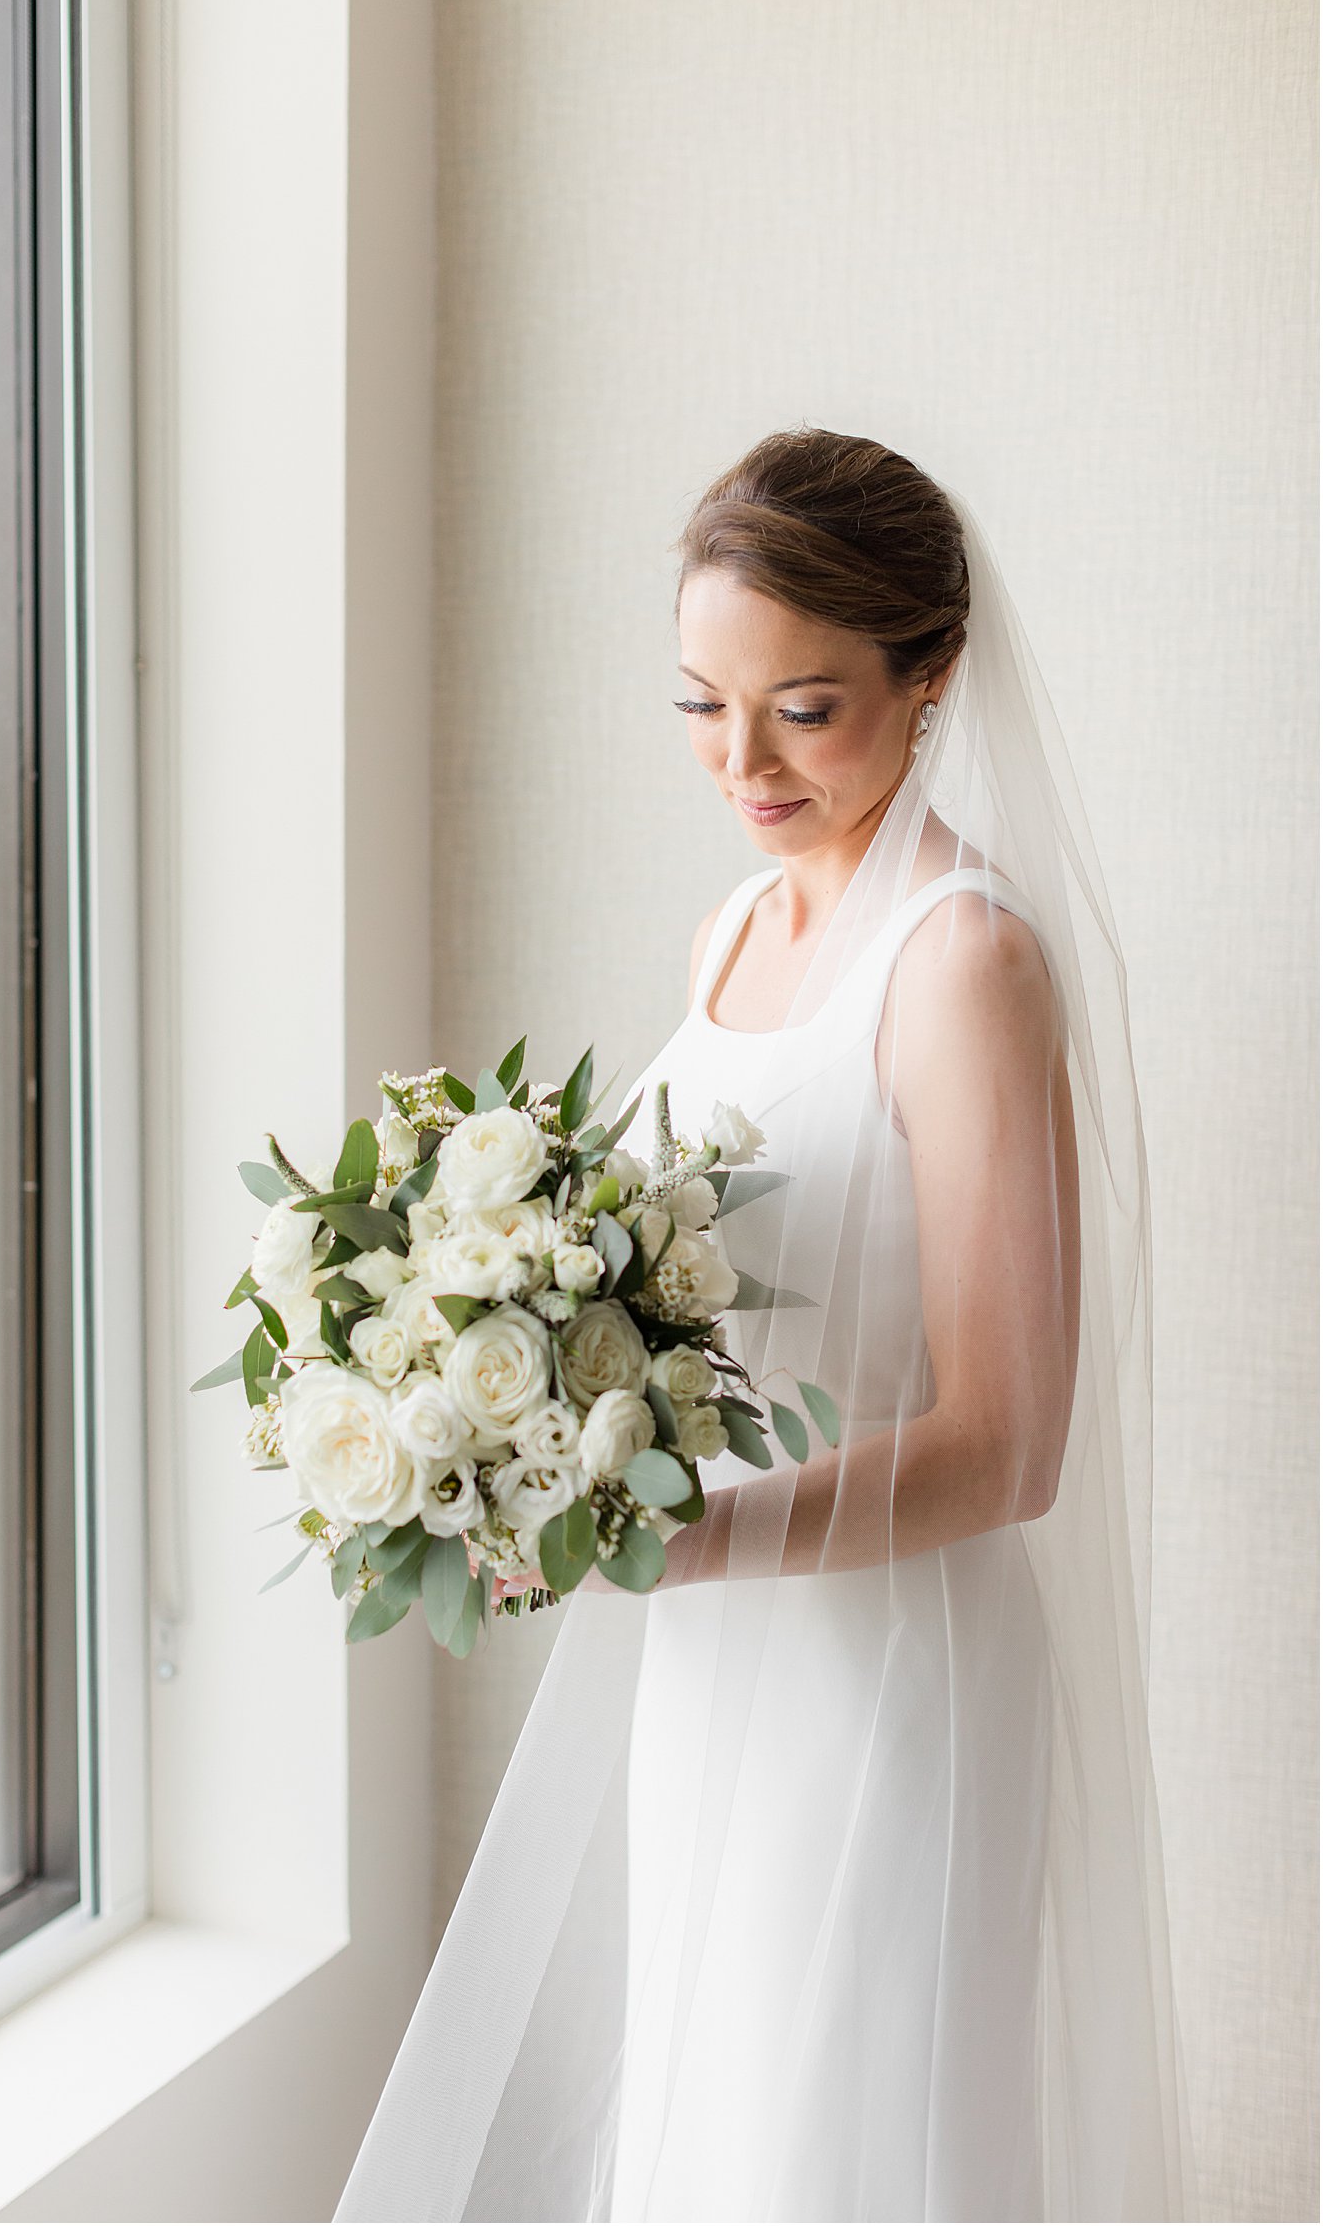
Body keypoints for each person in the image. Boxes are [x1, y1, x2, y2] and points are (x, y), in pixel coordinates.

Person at [333, 429, 1195, 2223]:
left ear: (932, 671)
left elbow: (1010, 1443)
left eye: (804, 707)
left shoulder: (965, 961)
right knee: (718, 2119)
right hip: (720, 1655)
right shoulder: (736, 924)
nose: (744, 763)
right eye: (701, 704)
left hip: (890, 1675)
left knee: (841, 2144)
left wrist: (657, 1538)